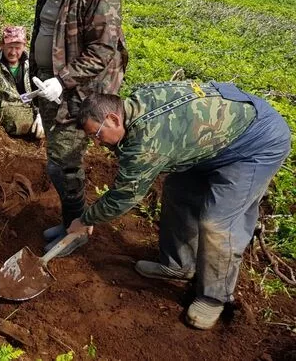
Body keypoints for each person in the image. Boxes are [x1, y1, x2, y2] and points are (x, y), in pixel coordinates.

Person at [68, 81, 291, 330]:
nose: (97, 143)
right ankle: (178, 265)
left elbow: (124, 196)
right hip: (210, 142)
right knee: (177, 190)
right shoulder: (135, 104)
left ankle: (214, 297)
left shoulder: (147, 141)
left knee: (217, 222)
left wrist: (86, 219)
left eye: (96, 135)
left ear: (113, 118)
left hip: (254, 143)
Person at [27, 0, 128, 257]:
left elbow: (102, 51)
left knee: (64, 164)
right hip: (52, 87)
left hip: (82, 93)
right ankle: (71, 218)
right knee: (58, 159)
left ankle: (77, 229)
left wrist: (63, 79)